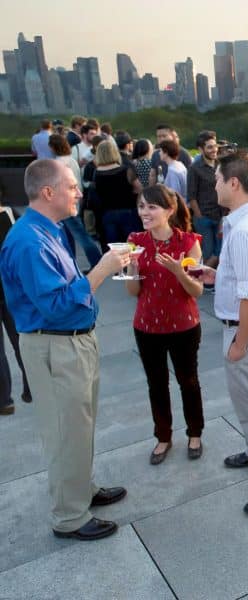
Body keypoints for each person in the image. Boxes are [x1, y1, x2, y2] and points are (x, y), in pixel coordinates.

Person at [0, 159, 128, 540]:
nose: (79, 192)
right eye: (72, 186)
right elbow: (54, 304)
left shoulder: (49, 230)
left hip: (72, 343)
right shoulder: (27, 241)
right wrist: (102, 270)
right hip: (55, 348)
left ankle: (81, 490)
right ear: (48, 192)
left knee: (79, 426)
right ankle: (69, 516)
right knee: (64, 432)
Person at [193, 150, 248, 515]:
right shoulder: (245, 220)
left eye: (216, 179)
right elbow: (247, 280)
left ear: (233, 183)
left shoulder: (245, 229)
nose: (213, 185)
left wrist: (239, 344)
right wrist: (217, 276)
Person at [125, 184, 205, 464]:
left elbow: (197, 290)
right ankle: (163, 437)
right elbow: (133, 292)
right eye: (141, 206)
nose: (144, 212)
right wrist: (132, 270)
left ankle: (195, 433)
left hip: (183, 325)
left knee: (188, 381)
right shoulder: (134, 240)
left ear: (169, 210)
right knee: (156, 384)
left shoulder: (188, 242)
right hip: (147, 326)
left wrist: (178, 272)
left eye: (151, 207)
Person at [49, 134, 102, 268]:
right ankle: (72, 263)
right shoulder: (71, 160)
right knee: (71, 234)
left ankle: (96, 262)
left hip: (65, 202)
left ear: (53, 147)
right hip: (76, 199)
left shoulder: (56, 164)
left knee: (79, 235)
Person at [0, 201, 31, 414]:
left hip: (11, 288)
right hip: (12, 287)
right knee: (22, 340)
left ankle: (4, 401)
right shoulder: (11, 214)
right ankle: (33, 387)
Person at [93, 139, 140, 246]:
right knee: (132, 247)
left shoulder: (96, 174)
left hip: (108, 214)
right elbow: (139, 189)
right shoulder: (126, 170)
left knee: (115, 248)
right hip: (128, 212)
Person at [187, 131, 223, 267]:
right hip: (204, 218)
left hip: (220, 216)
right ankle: (205, 283)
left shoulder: (221, 164)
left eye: (215, 146)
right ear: (201, 149)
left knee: (220, 252)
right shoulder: (195, 169)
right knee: (207, 252)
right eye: (209, 147)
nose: (214, 150)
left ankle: (210, 281)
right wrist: (199, 216)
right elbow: (191, 195)